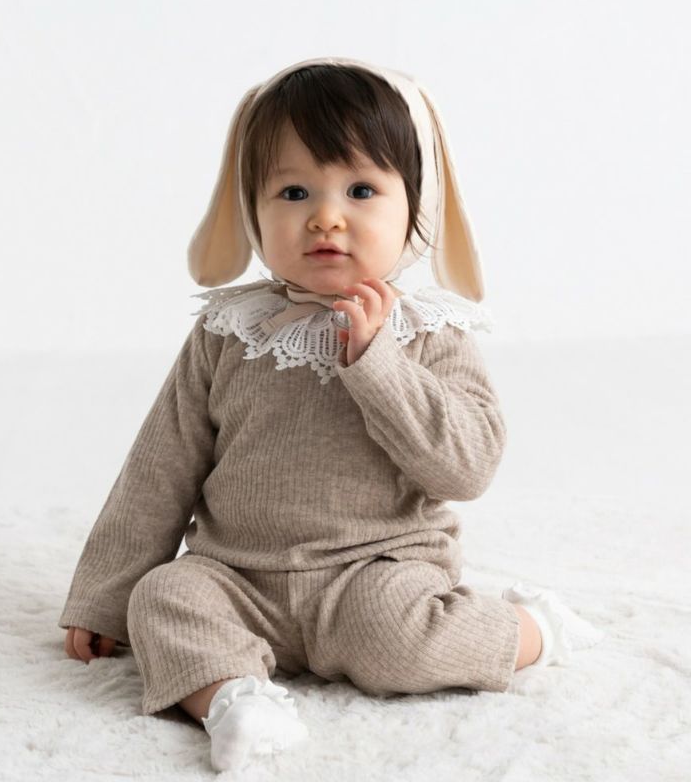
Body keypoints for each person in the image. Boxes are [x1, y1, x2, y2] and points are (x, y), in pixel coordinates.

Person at [59, 56, 605, 773]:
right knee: (162, 598)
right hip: (237, 578)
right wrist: (103, 596)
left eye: (361, 190)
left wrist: (378, 363)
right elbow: (160, 466)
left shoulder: (430, 333)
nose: (325, 216)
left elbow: (467, 467)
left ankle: (532, 628)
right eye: (293, 191)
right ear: (251, 208)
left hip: (374, 576)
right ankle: (234, 700)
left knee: (398, 642)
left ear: (416, 207)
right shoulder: (231, 331)